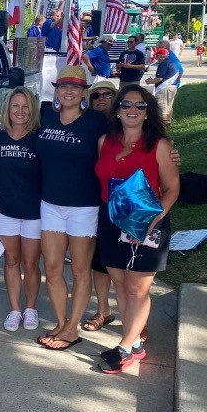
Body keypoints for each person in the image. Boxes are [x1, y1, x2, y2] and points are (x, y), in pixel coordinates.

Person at [95, 85, 180, 373]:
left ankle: (125, 347)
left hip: (147, 224)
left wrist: (149, 221)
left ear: (147, 112)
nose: (133, 109)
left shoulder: (160, 146)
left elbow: (172, 189)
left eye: (140, 105)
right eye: (126, 104)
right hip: (111, 222)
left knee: (138, 289)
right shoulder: (105, 142)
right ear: (117, 111)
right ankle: (133, 343)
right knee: (120, 284)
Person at [36, 63, 103, 351]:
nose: (68, 92)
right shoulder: (46, 116)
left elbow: (126, 143)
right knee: (52, 268)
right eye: (63, 86)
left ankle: (72, 328)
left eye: (75, 87)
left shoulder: (97, 121)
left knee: (79, 269)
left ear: (84, 91)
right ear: (56, 90)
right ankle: (61, 321)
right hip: (50, 203)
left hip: (83, 206)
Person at [0, 87, 42, 331]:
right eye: (15, 106)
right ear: (8, 108)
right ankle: (15, 309)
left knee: (31, 264)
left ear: (32, 110)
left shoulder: (39, 137)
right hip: (6, 210)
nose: (20, 111)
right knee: (11, 261)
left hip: (34, 212)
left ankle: (31, 309)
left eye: (26, 106)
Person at [83, 80, 120, 330]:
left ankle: (137, 318)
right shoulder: (86, 125)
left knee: (127, 262)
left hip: (122, 203)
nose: (102, 99)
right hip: (90, 200)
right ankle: (103, 310)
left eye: (108, 94)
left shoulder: (127, 124)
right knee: (99, 259)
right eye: (96, 96)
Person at [153, 42, 184, 123]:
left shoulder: (169, 58)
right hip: (171, 86)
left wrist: (170, 80)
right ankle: (167, 124)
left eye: (158, 49)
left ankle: (163, 126)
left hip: (166, 86)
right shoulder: (170, 56)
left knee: (162, 108)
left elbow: (180, 71)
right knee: (168, 107)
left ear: (163, 48)